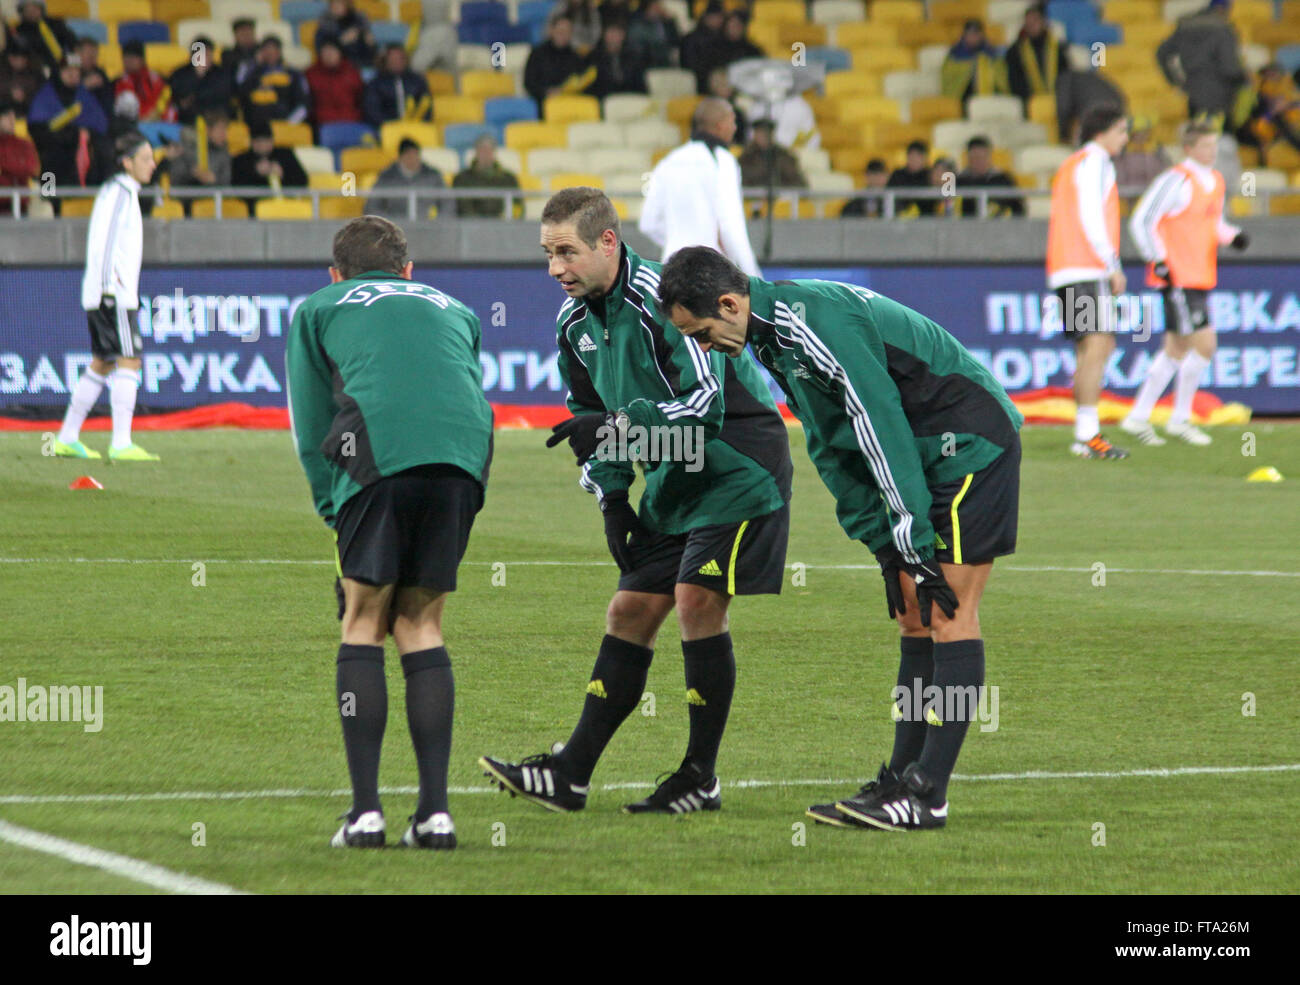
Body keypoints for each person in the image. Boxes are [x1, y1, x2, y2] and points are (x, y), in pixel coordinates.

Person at [657, 246, 1022, 832]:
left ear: (729, 303)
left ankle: (928, 794)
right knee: (912, 613)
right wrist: (884, 543)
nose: (701, 347)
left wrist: (910, 533)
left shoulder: (811, 321)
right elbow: (831, 442)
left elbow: (878, 422)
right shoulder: (771, 336)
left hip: (969, 442)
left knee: (949, 611)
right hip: (925, 452)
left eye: (700, 332)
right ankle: (902, 776)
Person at [478, 187, 792, 814]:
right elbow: (586, 416)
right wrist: (613, 499)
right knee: (628, 611)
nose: (555, 268)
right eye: (547, 254)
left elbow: (705, 408)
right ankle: (569, 775)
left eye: (566, 252)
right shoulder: (572, 324)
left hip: (737, 461)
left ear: (608, 243)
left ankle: (699, 777)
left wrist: (618, 427)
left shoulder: (664, 302)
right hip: (676, 477)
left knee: (696, 601)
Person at [286, 215, 493, 850]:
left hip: (376, 450)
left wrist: (333, 509)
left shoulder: (319, 306)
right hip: (464, 456)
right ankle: (436, 816)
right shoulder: (455, 307)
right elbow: (458, 387)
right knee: (422, 624)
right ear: (409, 270)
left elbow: (311, 418)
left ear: (335, 273)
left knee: (363, 618)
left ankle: (366, 815)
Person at [1121, 121, 1248, 447]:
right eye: (1205, 146)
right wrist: (1158, 259)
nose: (1212, 151)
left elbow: (1211, 222)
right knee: (1205, 344)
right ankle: (1180, 418)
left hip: (1200, 274)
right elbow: (1142, 219)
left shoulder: (1215, 181)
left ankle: (1138, 417)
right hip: (1177, 277)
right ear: (1189, 149)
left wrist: (1231, 236)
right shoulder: (1175, 179)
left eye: (1214, 145)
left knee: (1176, 348)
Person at [53, 132, 159, 462]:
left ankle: (67, 437)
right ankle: (121, 443)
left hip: (105, 292)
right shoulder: (119, 193)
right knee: (130, 359)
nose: (152, 164)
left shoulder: (120, 193)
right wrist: (109, 291)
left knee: (103, 362)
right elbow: (106, 243)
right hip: (112, 293)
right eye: (145, 158)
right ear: (127, 162)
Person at [1045, 103, 1130, 459]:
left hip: (1067, 266)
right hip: (1086, 266)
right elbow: (1091, 215)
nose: (1125, 139)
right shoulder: (1096, 161)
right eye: (1122, 131)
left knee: (1093, 347)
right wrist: (1112, 264)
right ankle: (1088, 434)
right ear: (1104, 131)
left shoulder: (1072, 163)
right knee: (1098, 345)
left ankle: (1085, 434)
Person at [639, 97, 761, 275]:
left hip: (672, 270)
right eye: (732, 122)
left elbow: (647, 223)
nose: (735, 128)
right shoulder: (723, 161)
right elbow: (731, 225)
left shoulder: (668, 162)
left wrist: (679, 242)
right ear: (720, 125)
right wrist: (753, 277)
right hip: (709, 272)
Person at [27, 55, 110, 204]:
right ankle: (49, 201)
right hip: (53, 158)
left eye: (77, 72)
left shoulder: (85, 96)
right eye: (68, 71)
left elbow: (100, 125)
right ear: (59, 72)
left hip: (83, 157)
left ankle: (98, 200)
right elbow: (39, 131)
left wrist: (83, 134)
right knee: (49, 159)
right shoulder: (45, 96)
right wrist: (70, 134)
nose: (73, 75)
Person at [1157, 0, 1247, 121]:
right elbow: (1229, 66)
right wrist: (1242, 81)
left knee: (1196, 132)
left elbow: (1161, 53)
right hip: (1221, 93)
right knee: (1220, 135)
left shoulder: (1185, 26)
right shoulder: (1223, 29)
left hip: (1194, 91)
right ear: (1223, 9)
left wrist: (1175, 80)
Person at [231, 120, 308, 209]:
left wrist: (283, 174)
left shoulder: (285, 155)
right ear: (251, 143)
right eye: (259, 142)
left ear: (272, 141)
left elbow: (303, 181)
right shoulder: (241, 160)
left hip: (286, 209)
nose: (263, 145)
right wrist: (255, 173)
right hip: (253, 213)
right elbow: (236, 189)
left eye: (266, 141)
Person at [522, 15, 592, 113]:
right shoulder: (537, 53)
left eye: (567, 32)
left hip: (570, 104)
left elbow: (582, 80)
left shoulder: (575, 56)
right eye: (560, 31)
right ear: (551, 30)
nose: (563, 35)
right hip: (543, 104)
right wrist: (546, 92)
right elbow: (529, 82)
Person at [1004, 3, 1066, 112]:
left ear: (1044, 22)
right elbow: (1014, 82)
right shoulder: (1015, 51)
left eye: (1035, 20)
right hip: (1028, 103)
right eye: (1028, 21)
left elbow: (1065, 76)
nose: (1031, 24)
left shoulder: (1057, 49)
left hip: (1057, 101)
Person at [365, 136, 444, 220]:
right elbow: (372, 206)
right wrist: (387, 225)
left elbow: (447, 203)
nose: (413, 160)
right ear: (400, 157)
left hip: (424, 226)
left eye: (416, 155)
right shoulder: (387, 177)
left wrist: (437, 225)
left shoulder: (432, 175)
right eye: (408, 155)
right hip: (394, 227)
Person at [239, 36, 311, 127]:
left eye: (274, 50)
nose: (270, 54)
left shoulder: (293, 74)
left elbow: (303, 103)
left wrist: (290, 123)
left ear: (280, 52)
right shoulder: (253, 73)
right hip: (256, 127)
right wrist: (255, 66)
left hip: (284, 125)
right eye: (266, 51)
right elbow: (241, 94)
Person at [941, 19, 1007, 110]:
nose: (972, 37)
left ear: (982, 35)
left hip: (991, 100)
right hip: (963, 101)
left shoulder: (992, 54)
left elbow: (1002, 79)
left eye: (976, 34)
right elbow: (948, 80)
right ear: (964, 36)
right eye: (969, 34)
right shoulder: (954, 55)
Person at [168, 35, 233, 126]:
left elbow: (221, 96)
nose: (205, 58)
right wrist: (197, 75)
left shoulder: (221, 73)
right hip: (187, 121)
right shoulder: (180, 74)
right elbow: (177, 99)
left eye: (208, 54)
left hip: (214, 120)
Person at [451, 131, 520, 217]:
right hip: (471, 227)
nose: (485, 154)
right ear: (476, 152)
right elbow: (463, 208)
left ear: (494, 152)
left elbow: (517, 207)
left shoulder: (509, 179)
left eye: (489, 150)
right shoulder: (461, 179)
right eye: (482, 149)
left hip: (503, 227)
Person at [363, 45, 432, 128]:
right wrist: (392, 125)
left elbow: (427, 108)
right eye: (393, 59)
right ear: (386, 61)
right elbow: (373, 112)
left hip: (416, 127)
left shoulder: (417, 81)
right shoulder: (375, 84)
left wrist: (417, 124)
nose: (397, 62)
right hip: (387, 128)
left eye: (401, 59)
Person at [956, 135, 1024, 217]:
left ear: (989, 157)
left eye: (982, 157)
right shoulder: (959, 181)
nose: (979, 162)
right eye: (975, 158)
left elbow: (1019, 210)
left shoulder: (1003, 180)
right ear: (968, 158)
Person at [306, 37, 364, 129]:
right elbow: (307, 104)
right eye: (325, 51)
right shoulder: (311, 74)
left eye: (333, 51)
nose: (329, 55)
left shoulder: (352, 73)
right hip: (322, 125)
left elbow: (361, 99)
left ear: (340, 53)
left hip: (352, 122)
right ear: (320, 54)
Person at [113, 40, 176, 124]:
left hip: (158, 120)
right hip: (133, 125)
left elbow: (165, 99)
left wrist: (155, 115)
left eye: (133, 57)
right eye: (126, 57)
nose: (129, 61)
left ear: (142, 59)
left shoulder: (157, 79)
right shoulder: (118, 82)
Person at [737, 117, 806, 190]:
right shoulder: (746, 156)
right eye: (759, 132)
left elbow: (798, 183)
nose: (763, 136)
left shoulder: (783, 155)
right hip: (752, 198)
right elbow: (740, 180)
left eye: (766, 133)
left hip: (781, 199)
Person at [587, 20, 647, 100]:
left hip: (630, 100)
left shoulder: (633, 57)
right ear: (604, 34)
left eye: (617, 33)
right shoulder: (594, 57)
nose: (614, 37)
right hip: (604, 101)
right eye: (611, 32)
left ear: (623, 35)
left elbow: (640, 85)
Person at [13, 0, 76, 75]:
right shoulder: (19, 31)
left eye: (35, 8)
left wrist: (73, 59)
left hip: (67, 63)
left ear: (41, 9)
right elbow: (28, 53)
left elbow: (72, 42)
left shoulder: (55, 22)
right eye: (27, 10)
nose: (32, 12)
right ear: (22, 12)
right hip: (42, 69)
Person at [0, 99, 39, 217]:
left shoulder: (24, 144)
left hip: (21, 206)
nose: (12, 121)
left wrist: (4, 166)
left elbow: (31, 168)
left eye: (13, 117)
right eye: (7, 117)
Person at [314, 0, 376, 69]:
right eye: (333, 5)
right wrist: (341, 41)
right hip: (338, 67)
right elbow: (321, 50)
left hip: (360, 64)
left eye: (339, 4)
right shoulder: (325, 27)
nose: (336, 7)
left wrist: (369, 44)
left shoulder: (359, 23)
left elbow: (370, 52)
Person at [1113, 116, 1169, 190]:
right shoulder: (1122, 153)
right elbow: (1119, 178)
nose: (1141, 136)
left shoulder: (1157, 152)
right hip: (1128, 194)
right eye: (1137, 133)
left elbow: (1165, 174)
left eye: (1144, 133)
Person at [887, 139, 934, 217]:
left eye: (918, 156)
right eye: (912, 156)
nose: (914, 159)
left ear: (925, 158)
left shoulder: (930, 176)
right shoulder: (897, 175)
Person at [627, 0, 680, 70]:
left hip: (665, 61)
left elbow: (675, 42)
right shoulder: (637, 26)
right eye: (654, 8)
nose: (657, 11)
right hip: (645, 63)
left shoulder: (665, 24)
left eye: (658, 7)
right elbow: (637, 48)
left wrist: (670, 22)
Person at [0, 40, 43, 116]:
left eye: (24, 58)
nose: (23, 61)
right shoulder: (2, 69)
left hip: (28, 115)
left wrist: (25, 98)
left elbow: (42, 96)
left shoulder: (35, 71)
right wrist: (10, 94)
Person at [222, 18, 261, 90]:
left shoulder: (262, 51)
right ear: (235, 36)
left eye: (249, 33)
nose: (247, 36)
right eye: (243, 34)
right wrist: (254, 62)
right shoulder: (228, 55)